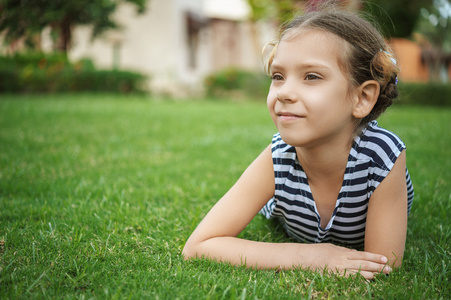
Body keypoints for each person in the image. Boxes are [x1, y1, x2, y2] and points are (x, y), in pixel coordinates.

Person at [183, 6, 414, 281]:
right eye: (278, 76)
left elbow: (384, 263)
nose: (285, 92)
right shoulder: (278, 156)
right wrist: (308, 256)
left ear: (362, 97)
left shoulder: (382, 158)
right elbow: (199, 246)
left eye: (311, 76)